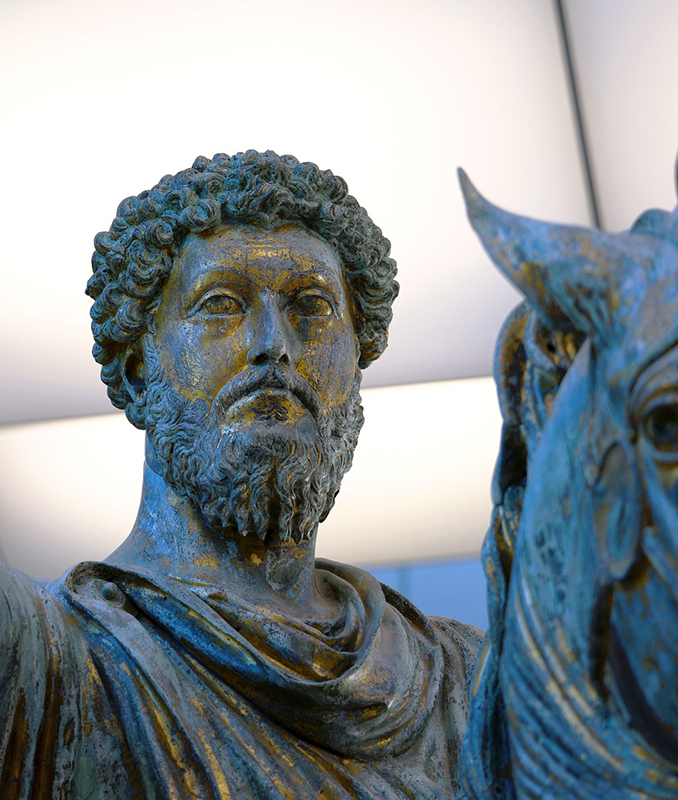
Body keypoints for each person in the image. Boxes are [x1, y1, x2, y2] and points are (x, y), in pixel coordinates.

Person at [0, 150, 481, 799]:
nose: (271, 344)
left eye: (311, 307)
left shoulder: (470, 680)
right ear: (137, 371)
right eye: (220, 304)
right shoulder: (48, 662)